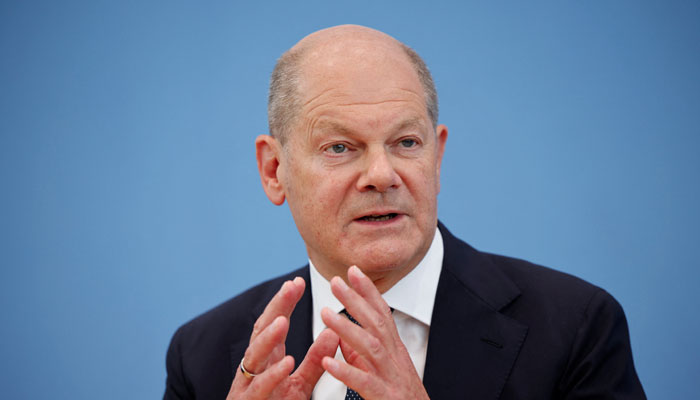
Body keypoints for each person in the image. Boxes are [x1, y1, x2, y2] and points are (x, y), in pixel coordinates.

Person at [163, 25, 645, 400]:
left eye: (406, 143)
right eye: (339, 147)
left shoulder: (574, 328)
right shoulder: (204, 354)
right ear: (274, 170)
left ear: (436, 158)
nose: (381, 174)